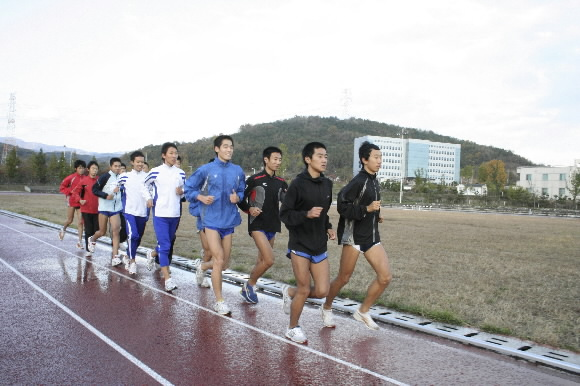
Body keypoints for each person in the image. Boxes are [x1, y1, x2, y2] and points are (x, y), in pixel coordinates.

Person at [322, 141, 392, 330]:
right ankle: (327, 307)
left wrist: (377, 215)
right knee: (344, 278)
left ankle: (363, 311)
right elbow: (343, 206)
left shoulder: (374, 180)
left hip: (371, 236)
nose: (379, 161)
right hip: (353, 237)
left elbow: (370, 205)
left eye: (380, 157)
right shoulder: (358, 181)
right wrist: (366, 209)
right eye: (376, 157)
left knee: (385, 277)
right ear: (364, 159)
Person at [279, 142, 335, 344]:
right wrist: (306, 214)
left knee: (321, 291)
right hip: (300, 244)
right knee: (305, 288)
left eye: (325, 156)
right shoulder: (297, 184)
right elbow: (284, 214)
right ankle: (292, 328)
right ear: (308, 159)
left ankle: (289, 292)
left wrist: (328, 226)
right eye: (320, 156)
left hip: (319, 243)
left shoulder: (327, 184)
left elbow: (325, 211)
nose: (324, 160)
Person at [185, 135, 245, 315]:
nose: (229, 150)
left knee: (224, 264)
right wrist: (201, 197)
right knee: (218, 259)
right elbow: (189, 188)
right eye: (225, 146)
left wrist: (238, 197)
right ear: (216, 149)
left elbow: (242, 189)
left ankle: (202, 267)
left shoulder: (238, 170)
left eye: (231, 147)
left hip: (228, 221)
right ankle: (219, 301)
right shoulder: (206, 170)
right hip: (210, 220)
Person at [238, 146, 288, 303]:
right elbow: (240, 199)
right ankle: (249, 285)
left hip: (273, 225)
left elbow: (287, 203)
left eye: (280, 159)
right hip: (257, 224)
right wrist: (249, 208)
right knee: (269, 260)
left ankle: (248, 288)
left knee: (262, 261)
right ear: (266, 159)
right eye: (275, 159)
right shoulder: (254, 179)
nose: (278, 162)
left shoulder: (281, 182)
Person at [144, 143, 185, 292]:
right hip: (160, 213)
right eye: (171, 153)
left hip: (175, 214)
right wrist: (148, 198)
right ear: (163, 155)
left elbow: (184, 190)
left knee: (166, 244)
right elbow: (145, 186)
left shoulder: (180, 173)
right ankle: (168, 279)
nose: (174, 156)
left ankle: (152, 253)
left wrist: (182, 192)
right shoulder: (155, 172)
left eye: (176, 153)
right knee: (166, 246)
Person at [88, 157, 123, 266]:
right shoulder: (105, 177)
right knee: (102, 232)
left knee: (116, 231)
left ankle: (115, 256)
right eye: (115, 166)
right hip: (104, 208)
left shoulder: (122, 178)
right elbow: (94, 189)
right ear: (111, 167)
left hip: (116, 209)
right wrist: (105, 195)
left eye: (119, 166)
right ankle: (93, 239)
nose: (117, 168)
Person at [118, 151, 149, 275]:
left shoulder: (147, 176)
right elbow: (114, 185)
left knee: (138, 238)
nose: (140, 164)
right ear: (132, 162)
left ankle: (127, 255)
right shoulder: (125, 176)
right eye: (138, 162)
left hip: (142, 213)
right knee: (133, 235)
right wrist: (113, 190)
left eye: (142, 162)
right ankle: (132, 261)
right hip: (129, 212)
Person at [73, 161, 99, 257]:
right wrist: (80, 200)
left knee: (97, 230)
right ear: (88, 169)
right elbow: (75, 192)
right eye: (93, 168)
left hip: (98, 210)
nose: (94, 170)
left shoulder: (99, 181)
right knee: (88, 230)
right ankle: (89, 249)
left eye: (96, 169)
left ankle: (91, 242)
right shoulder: (83, 181)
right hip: (86, 209)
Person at [58, 159, 86, 248]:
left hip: (81, 202)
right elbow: (62, 187)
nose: (81, 170)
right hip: (71, 201)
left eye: (83, 168)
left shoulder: (86, 178)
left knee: (81, 222)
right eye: (79, 168)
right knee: (70, 220)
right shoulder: (71, 177)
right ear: (76, 168)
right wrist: (70, 192)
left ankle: (79, 242)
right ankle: (63, 228)